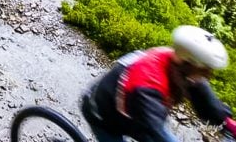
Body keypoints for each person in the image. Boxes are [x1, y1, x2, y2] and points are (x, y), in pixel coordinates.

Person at [81, 25, 236, 142]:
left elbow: (205, 100)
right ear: (189, 64)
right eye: (205, 71)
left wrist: (228, 123)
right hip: (102, 115)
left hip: (130, 113)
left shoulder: (181, 67)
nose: (208, 76)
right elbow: (155, 131)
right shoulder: (148, 84)